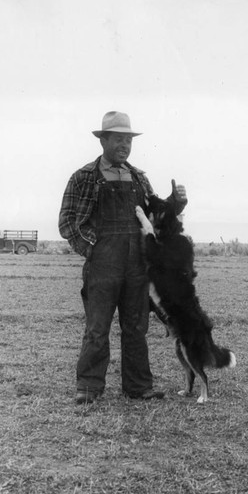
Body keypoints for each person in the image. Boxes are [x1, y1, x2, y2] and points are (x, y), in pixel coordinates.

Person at [59, 111, 187, 404]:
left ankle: (139, 387)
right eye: (118, 139)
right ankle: (89, 388)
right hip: (102, 264)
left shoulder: (139, 178)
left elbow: (158, 216)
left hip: (137, 266)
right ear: (103, 140)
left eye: (128, 140)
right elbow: (66, 222)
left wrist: (177, 202)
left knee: (136, 327)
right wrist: (92, 248)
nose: (125, 145)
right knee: (97, 327)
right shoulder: (83, 178)